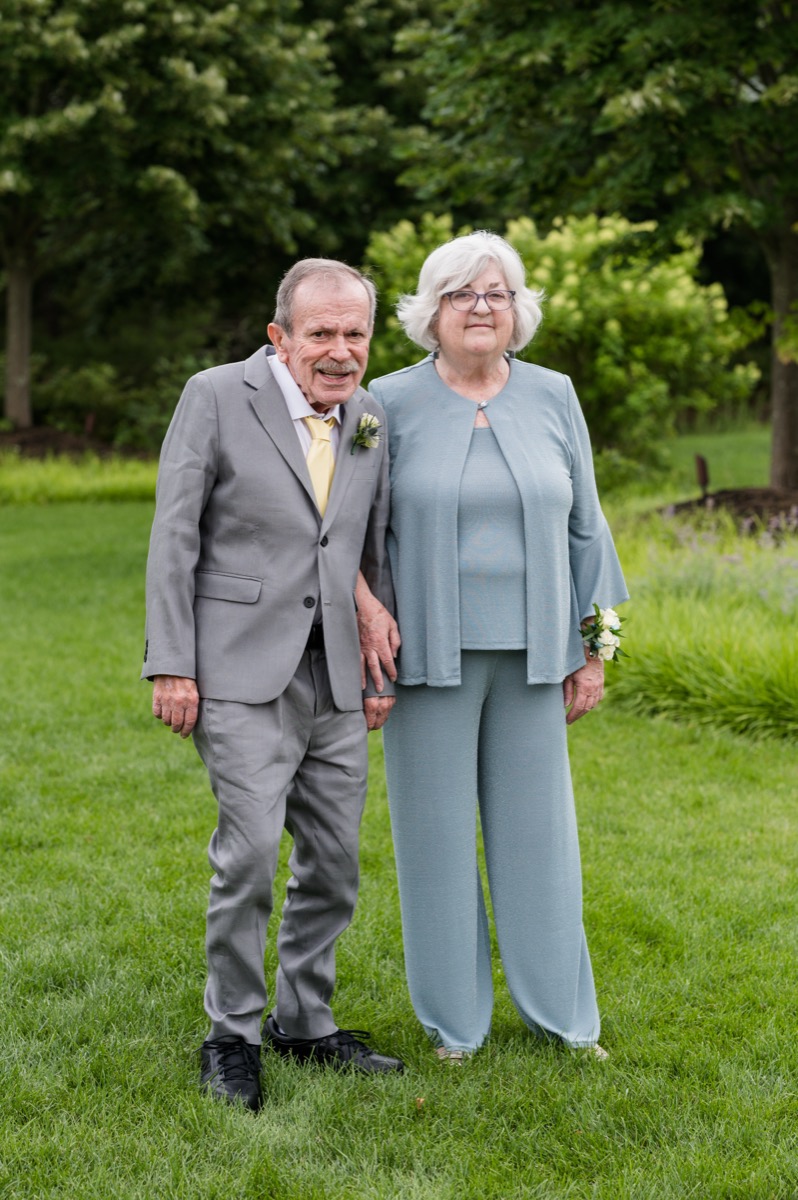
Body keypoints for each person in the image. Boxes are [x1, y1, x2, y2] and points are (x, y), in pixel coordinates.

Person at [142, 258, 404, 1112]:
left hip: (335, 675)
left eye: (354, 333)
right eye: (320, 333)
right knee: (250, 855)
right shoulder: (215, 395)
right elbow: (174, 535)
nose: (339, 351)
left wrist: (376, 663)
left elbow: (370, 548)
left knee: (334, 863)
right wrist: (172, 661)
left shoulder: (369, 417)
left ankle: (305, 1020)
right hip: (238, 668)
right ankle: (233, 1035)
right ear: (279, 336)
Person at [366, 231, 629, 1062]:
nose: (481, 307)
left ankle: (563, 1019)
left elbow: (590, 529)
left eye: (497, 293)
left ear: (517, 312)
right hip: (424, 658)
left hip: (535, 656)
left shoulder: (555, 395)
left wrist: (596, 653)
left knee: (540, 840)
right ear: (429, 313)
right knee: (434, 842)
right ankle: (455, 1027)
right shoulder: (385, 402)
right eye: (461, 293)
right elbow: (354, 534)